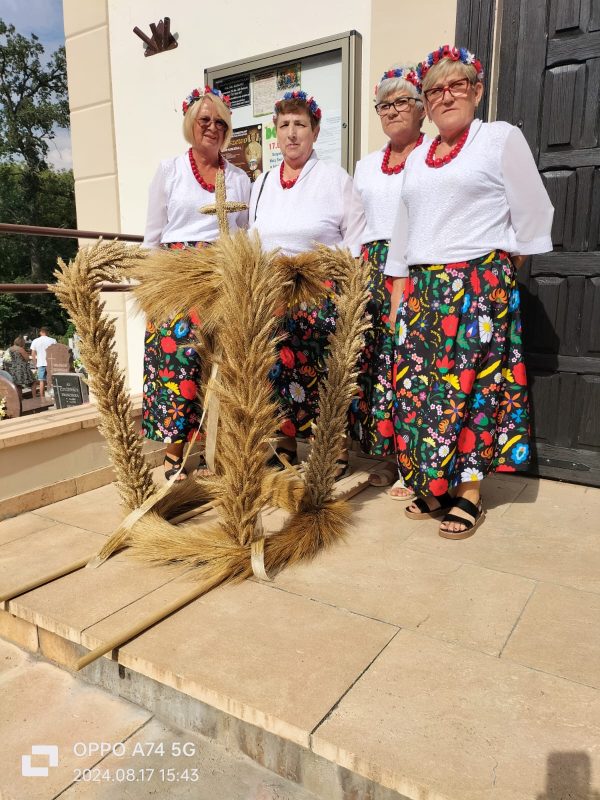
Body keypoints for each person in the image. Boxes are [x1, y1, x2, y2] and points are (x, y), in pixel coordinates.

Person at [385, 45, 554, 538]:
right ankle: (436, 486)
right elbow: (404, 225)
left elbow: (533, 210)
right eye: (435, 89)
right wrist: (400, 286)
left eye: (457, 84)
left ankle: (470, 495)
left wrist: (500, 267)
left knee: (475, 392)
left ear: (476, 90)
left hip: (477, 287)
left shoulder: (498, 138)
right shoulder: (420, 157)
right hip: (424, 289)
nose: (445, 96)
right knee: (423, 394)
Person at [249, 90, 365, 476]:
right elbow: (253, 236)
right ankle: (282, 448)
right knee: (277, 372)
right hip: (273, 294)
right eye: (284, 126)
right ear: (276, 134)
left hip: (319, 294)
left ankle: (333, 451)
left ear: (314, 131)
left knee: (322, 373)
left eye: (300, 125)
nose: (292, 134)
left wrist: (339, 283)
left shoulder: (335, 178)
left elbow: (356, 237)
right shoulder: (263, 182)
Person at [143, 85, 251, 480]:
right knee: (177, 362)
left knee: (216, 364)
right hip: (176, 278)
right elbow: (153, 236)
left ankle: (213, 451)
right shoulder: (170, 170)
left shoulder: (238, 178)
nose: (212, 127)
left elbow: (245, 232)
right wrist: (154, 290)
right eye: (205, 120)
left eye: (220, 121)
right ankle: (174, 453)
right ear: (191, 123)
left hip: (221, 276)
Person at [350, 65, 427, 500]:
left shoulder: (433, 155)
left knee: (412, 363)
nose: (393, 111)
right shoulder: (364, 166)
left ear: (420, 110)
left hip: (416, 265)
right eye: (384, 105)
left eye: (402, 102)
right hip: (372, 266)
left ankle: (415, 461)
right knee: (378, 364)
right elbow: (357, 222)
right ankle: (390, 454)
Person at [30, 327, 57, 397]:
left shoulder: (35, 341)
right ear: (47, 332)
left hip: (40, 363)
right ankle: (52, 396)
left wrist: (35, 363)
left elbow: (33, 353)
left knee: (41, 381)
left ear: (40, 332)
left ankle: (42, 397)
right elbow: (56, 352)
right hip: (50, 363)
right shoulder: (53, 340)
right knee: (51, 380)